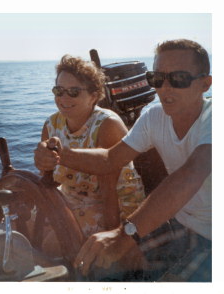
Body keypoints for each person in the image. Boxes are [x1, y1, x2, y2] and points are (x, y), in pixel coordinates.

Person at [34, 39, 212, 281]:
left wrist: (125, 234)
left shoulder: (213, 118)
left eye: (179, 78)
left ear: (205, 83)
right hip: (180, 223)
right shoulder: (154, 117)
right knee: (99, 266)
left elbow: (193, 172)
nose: (165, 88)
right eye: (157, 79)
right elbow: (110, 158)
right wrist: (60, 154)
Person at [36, 55, 145, 260]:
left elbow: (109, 192)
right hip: (74, 197)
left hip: (116, 205)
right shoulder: (51, 125)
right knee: (22, 222)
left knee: (50, 243)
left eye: (74, 92)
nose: (64, 98)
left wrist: (114, 240)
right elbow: (46, 178)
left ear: (94, 95)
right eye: (59, 91)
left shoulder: (107, 125)